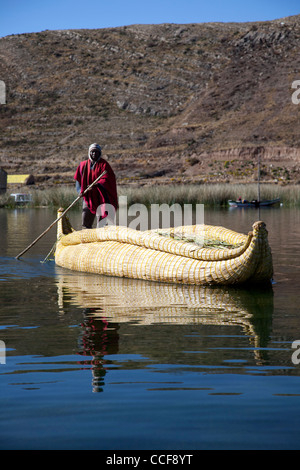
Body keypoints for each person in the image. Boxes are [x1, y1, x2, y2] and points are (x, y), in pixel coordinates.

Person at [74, 143, 118, 228]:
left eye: (96, 152)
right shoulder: (83, 165)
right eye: (92, 152)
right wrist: (80, 191)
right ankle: (86, 236)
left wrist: (97, 185)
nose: (94, 154)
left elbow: (108, 179)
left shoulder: (104, 165)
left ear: (100, 153)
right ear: (89, 153)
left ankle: (100, 236)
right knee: (86, 220)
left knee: (102, 222)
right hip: (88, 197)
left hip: (102, 197)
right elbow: (78, 180)